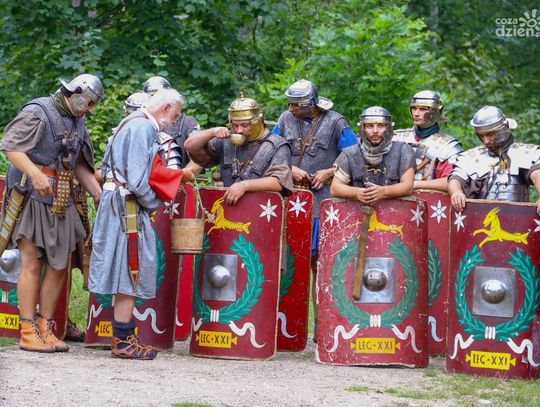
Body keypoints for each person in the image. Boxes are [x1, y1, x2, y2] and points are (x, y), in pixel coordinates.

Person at [1, 74, 103, 352]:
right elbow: (11, 146)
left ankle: (45, 328)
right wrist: (35, 174)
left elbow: (77, 164)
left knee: (59, 266)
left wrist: (97, 193)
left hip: (61, 197)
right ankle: (27, 331)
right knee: (31, 262)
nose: (91, 109)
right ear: (75, 92)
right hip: (30, 196)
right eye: (89, 102)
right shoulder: (39, 111)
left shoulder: (78, 120)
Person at [88, 88, 192, 360]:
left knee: (127, 269)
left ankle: (124, 335)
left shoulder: (130, 122)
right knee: (130, 269)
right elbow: (136, 180)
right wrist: (153, 202)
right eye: (175, 115)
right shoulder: (143, 127)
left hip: (119, 203)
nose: (174, 121)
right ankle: (123, 341)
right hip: (128, 207)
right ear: (165, 108)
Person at [272, 79, 357, 336]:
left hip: (323, 203)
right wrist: (290, 168)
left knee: (320, 265)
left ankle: (323, 326)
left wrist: (331, 171)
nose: (290, 108)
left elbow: (355, 156)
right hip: (290, 201)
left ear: (310, 104)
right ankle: (282, 326)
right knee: (288, 261)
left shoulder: (336, 122)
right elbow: (269, 150)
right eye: (290, 103)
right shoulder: (285, 119)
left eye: (295, 104)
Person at [185, 96, 293, 204]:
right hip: (229, 207)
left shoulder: (277, 145)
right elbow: (189, 145)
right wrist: (212, 132)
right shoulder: (226, 141)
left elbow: (279, 181)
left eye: (244, 125)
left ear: (257, 122)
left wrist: (245, 185)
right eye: (235, 125)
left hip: (263, 208)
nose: (239, 130)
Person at [448, 106, 540, 214]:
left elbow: (537, 174)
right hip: (481, 218)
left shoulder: (525, 152)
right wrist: (456, 192)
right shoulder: (471, 157)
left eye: (490, 134)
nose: (486, 141)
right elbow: (456, 178)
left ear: (504, 128)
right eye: (481, 136)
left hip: (517, 218)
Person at [331, 106, 415, 202]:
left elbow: (408, 186)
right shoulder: (349, 154)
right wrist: (358, 193)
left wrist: (384, 191)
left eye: (381, 126)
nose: (375, 131)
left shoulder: (403, 150)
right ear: (362, 128)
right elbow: (335, 188)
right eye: (369, 126)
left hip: (395, 209)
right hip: (359, 209)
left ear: (389, 128)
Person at [393, 90, 462, 192]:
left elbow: (454, 181)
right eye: (414, 108)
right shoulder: (395, 138)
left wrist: (413, 184)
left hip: (430, 200)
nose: (416, 114)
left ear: (435, 112)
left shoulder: (448, 147)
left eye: (423, 109)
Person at [143, 76, 202, 171]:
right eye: (152, 97)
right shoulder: (141, 121)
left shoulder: (187, 123)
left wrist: (180, 176)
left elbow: (199, 159)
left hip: (178, 176)